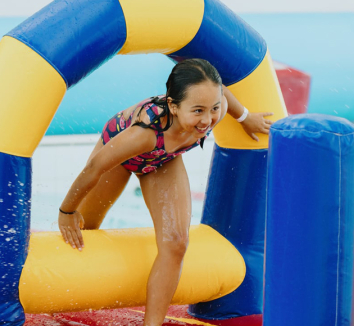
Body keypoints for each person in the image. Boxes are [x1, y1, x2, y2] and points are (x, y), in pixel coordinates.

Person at [58, 58, 272, 326]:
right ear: (173, 105)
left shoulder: (213, 107)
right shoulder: (142, 134)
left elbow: (223, 92)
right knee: (87, 230)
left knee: (176, 243)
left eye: (213, 109)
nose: (207, 120)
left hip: (162, 160)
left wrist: (246, 117)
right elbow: (94, 168)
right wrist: (67, 210)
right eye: (197, 111)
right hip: (124, 154)